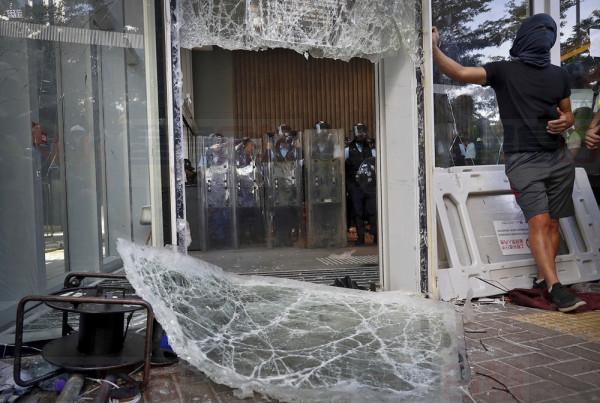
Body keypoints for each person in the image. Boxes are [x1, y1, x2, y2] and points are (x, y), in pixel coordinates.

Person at [433, 14, 586, 312]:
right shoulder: (505, 71)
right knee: (539, 220)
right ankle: (556, 288)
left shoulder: (559, 75)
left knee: (554, 221)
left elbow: (567, 112)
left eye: (550, 31)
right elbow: (462, 73)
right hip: (523, 159)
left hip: (558, 158)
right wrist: (434, 48)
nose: (546, 35)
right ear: (525, 35)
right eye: (540, 30)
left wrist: (566, 121)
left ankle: (545, 278)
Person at [345, 123, 376, 245]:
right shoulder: (347, 150)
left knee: (372, 211)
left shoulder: (371, 150)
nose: (361, 134)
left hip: (369, 186)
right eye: (359, 131)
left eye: (363, 131)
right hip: (355, 185)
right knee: (358, 212)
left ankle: (376, 236)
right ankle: (361, 237)